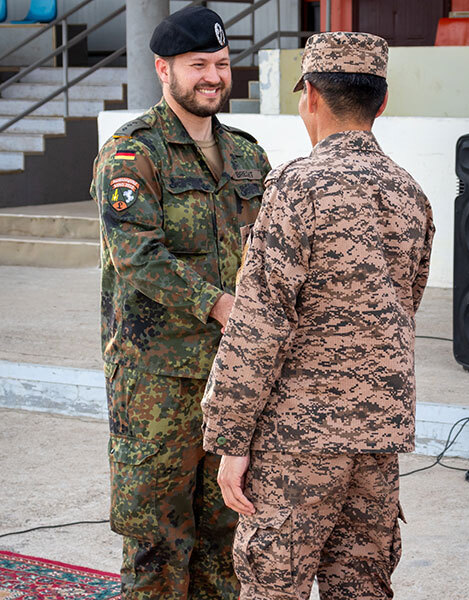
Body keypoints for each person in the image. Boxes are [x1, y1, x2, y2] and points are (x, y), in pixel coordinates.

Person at [202, 31, 435, 600]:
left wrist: (232, 440)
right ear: (382, 102)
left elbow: (258, 325)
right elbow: (405, 306)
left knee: (272, 588)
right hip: (377, 442)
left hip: (297, 443)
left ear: (308, 95)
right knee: (362, 587)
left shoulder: (294, 186)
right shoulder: (411, 193)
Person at [90, 5, 270, 599]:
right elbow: (137, 256)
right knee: (158, 539)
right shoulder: (132, 153)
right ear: (163, 69)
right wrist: (220, 304)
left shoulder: (249, 155)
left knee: (227, 531)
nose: (214, 77)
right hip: (155, 383)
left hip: (231, 379)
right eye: (199, 65)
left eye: (222, 64)